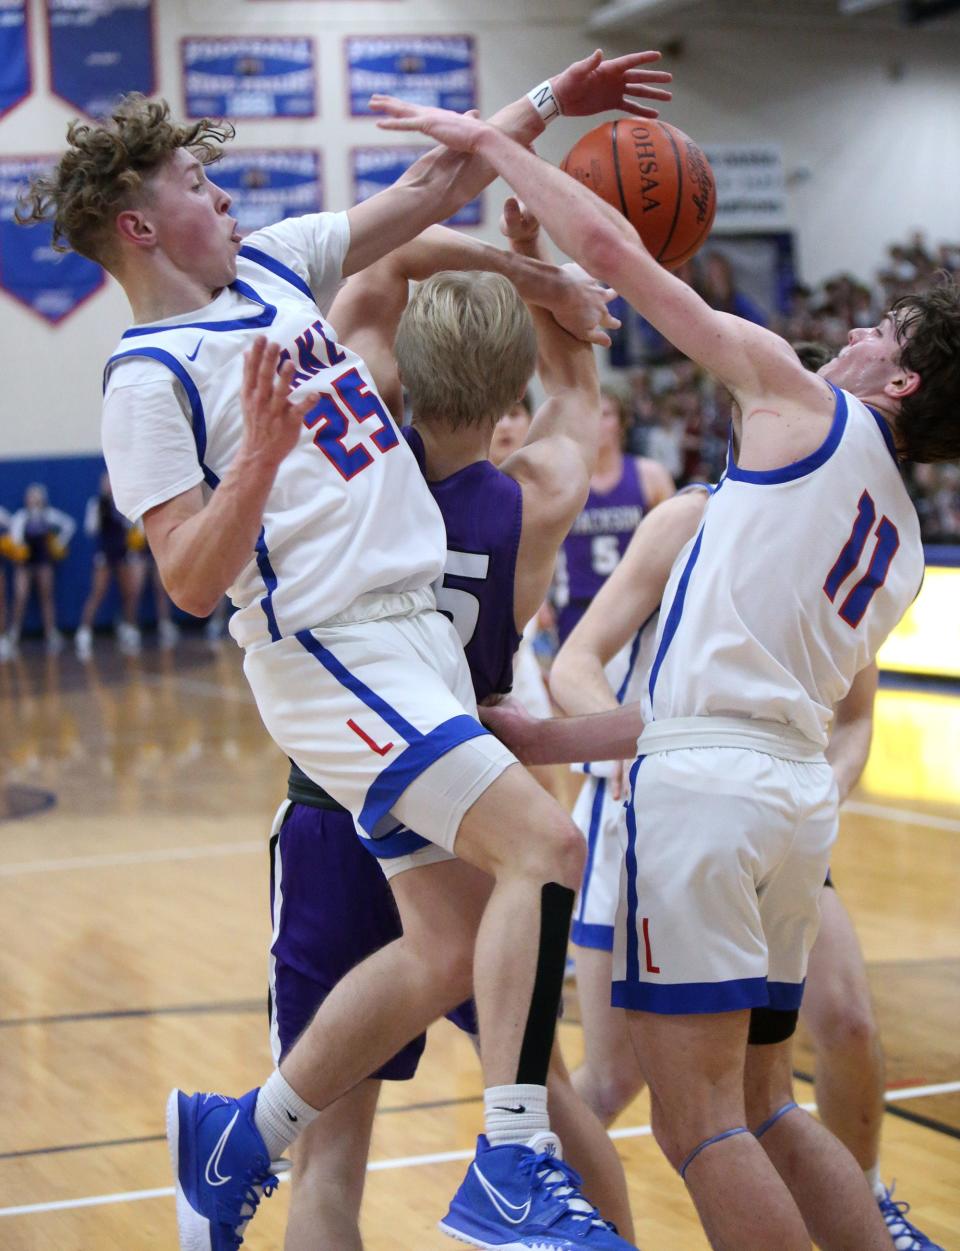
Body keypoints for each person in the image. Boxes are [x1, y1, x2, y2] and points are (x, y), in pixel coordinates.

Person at [20, 53, 673, 1251]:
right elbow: (187, 580)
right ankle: (511, 1161)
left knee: (447, 947)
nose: (221, 199)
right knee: (548, 841)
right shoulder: (145, 379)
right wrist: (259, 460)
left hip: (411, 637)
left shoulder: (273, 263)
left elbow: (425, 191)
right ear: (138, 225)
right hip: (330, 648)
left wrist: (547, 100)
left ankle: (240, 1140)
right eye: (192, 185)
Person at [372, 95, 960, 1250]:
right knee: (765, 1103)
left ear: (900, 386)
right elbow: (733, 692)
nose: (857, 336)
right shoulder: (896, 530)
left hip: (702, 798)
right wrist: (544, 738)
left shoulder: (802, 406)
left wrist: (497, 147)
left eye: (884, 333)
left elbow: (618, 256)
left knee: (699, 1128)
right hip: (789, 809)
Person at [269, 200, 636, 1250]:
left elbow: (378, 270)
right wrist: (544, 270)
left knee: (330, 1158)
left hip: (344, 806)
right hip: (478, 825)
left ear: (398, 372)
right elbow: (574, 382)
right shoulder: (544, 489)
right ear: (509, 386)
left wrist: (502, 258)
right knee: (551, 1103)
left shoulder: (346, 477)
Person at [549, 488, 942, 1251]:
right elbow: (575, 664)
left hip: (770, 811)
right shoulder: (689, 517)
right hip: (657, 808)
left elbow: (857, 715)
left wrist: (828, 788)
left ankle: (862, 1206)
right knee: (629, 1082)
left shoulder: (835, 534)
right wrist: (629, 746)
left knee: (840, 1029)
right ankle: (559, 1227)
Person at [552, 384, 674, 646]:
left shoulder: (650, 475)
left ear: (622, 422)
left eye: (606, 414)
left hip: (637, 608)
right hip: (578, 607)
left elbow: (676, 547)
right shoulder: (561, 480)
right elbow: (539, 549)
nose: (597, 422)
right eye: (590, 413)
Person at [75, 471, 142, 659]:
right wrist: (101, 514)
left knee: (130, 591)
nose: (109, 486)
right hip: (105, 553)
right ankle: (84, 631)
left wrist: (135, 539)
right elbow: (91, 529)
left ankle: (128, 627)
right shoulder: (97, 504)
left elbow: (134, 525)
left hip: (123, 552)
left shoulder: (124, 502)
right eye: (106, 483)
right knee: (98, 592)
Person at [6, 483, 75, 655]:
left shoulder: (48, 515)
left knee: (47, 596)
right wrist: (18, 548)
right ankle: (13, 634)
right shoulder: (21, 516)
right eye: (31, 497)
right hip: (25, 562)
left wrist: (59, 543)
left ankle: (50, 633)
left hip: (43, 560)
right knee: (20, 596)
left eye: (37, 497)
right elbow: (14, 536)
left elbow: (69, 524)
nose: (34, 500)